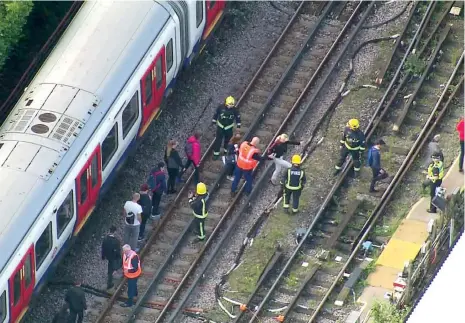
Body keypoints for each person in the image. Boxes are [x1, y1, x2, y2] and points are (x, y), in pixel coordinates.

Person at [101, 225, 121, 289]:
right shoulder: (116, 241)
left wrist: (103, 256)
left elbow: (103, 248)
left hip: (108, 256)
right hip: (114, 257)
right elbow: (118, 251)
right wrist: (119, 257)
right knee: (112, 268)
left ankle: (112, 273)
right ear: (115, 232)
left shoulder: (105, 239)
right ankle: (109, 282)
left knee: (110, 266)